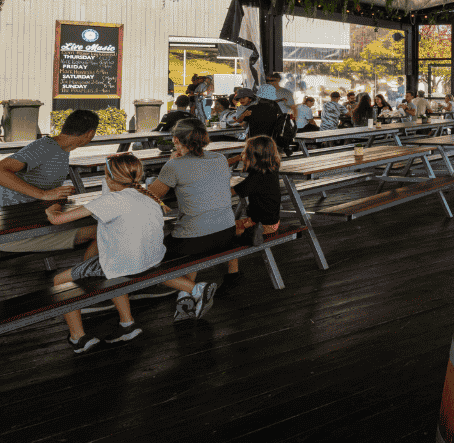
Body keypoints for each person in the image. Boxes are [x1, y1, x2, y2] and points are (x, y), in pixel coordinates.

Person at [46, 153, 217, 352]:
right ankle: (127, 324)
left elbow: (57, 220)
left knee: (61, 281)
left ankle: (78, 337)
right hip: (150, 260)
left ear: (108, 178)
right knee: (113, 267)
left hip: (126, 264)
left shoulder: (110, 202)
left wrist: (53, 206)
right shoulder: (149, 196)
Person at [146, 119, 235, 292]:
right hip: (226, 232)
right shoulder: (220, 158)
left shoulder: (174, 165)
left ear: (176, 140)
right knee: (193, 230)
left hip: (195, 239)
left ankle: (194, 289)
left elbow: (151, 196)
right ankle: (185, 292)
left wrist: (170, 163)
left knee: (146, 256)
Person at [0, 110, 99, 255]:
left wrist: (55, 194)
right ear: (90, 133)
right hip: (13, 233)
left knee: (100, 227)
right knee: (100, 230)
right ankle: (82, 275)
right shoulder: (44, 147)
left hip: (33, 218)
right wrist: (43, 194)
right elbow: (1, 170)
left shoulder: (61, 150)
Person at [224, 136, 282, 293]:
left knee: (228, 231)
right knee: (233, 227)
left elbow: (231, 192)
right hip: (272, 221)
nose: (242, 154)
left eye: (245, 152)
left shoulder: (256, 178)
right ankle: (249, 234)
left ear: (253, 156)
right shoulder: (270, 170)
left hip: (261, 225)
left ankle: (233, 273)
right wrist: (239, 157)